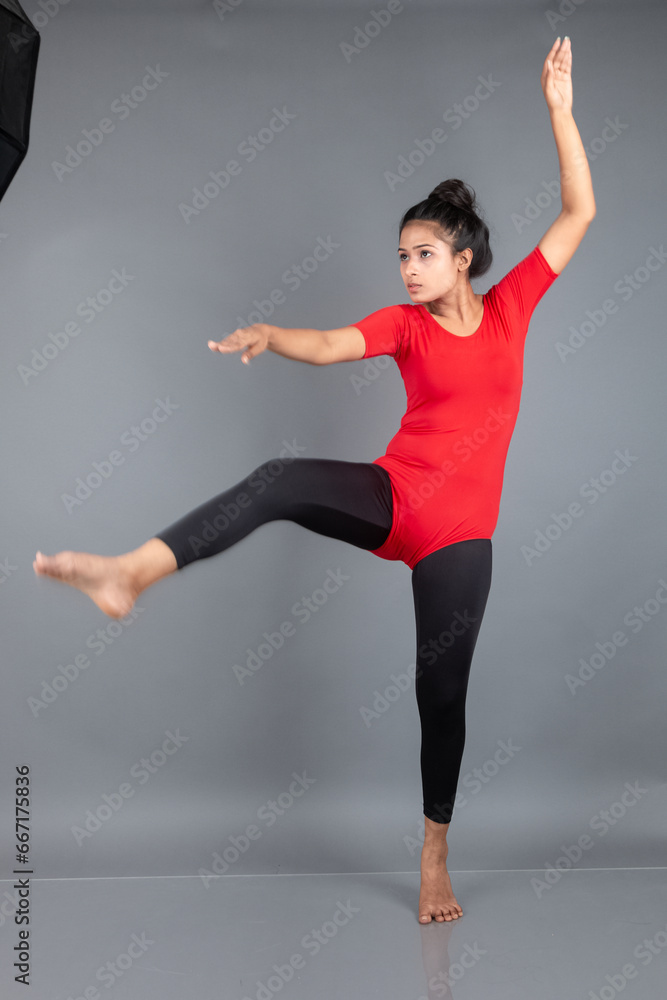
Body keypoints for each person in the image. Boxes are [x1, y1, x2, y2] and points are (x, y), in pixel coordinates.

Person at [33, 37, 595, 923]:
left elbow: (578, 211)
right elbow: (335, 344)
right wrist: (274, 333)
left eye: (420, 255)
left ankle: (433, 854)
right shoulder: (404, 325)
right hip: (391, 496)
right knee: (279, 479)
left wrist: (558, 111)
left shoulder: (514, 305)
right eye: (401, 256)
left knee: (439, 693)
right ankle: (129, 569)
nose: (406, 270)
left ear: (463, 259)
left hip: (458, 535)